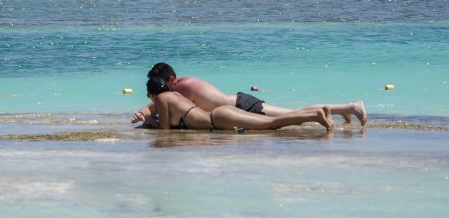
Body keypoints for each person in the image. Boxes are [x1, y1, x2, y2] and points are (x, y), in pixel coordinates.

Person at [131, 62, 366, 126]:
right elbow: (155, 105)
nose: (163, 91)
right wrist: (141, 113)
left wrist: (145, 115)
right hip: (237, 106)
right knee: (290, 117)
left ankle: (351, 107)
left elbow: (158, 106)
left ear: (171, 80)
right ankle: (345, 110)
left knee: (291, 116)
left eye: (163, 86)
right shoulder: (176, 87)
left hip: (243, 105)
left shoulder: (183, 86)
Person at [143, 76, 334, 131]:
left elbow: (165, 131)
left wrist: (151, 122)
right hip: (221, 114)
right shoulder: (175, 96)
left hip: (219, 119)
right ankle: (316, 113)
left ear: (153, 93)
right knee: (273, 123)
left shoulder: (161, 98)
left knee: (272, 124)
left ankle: (315, 115)